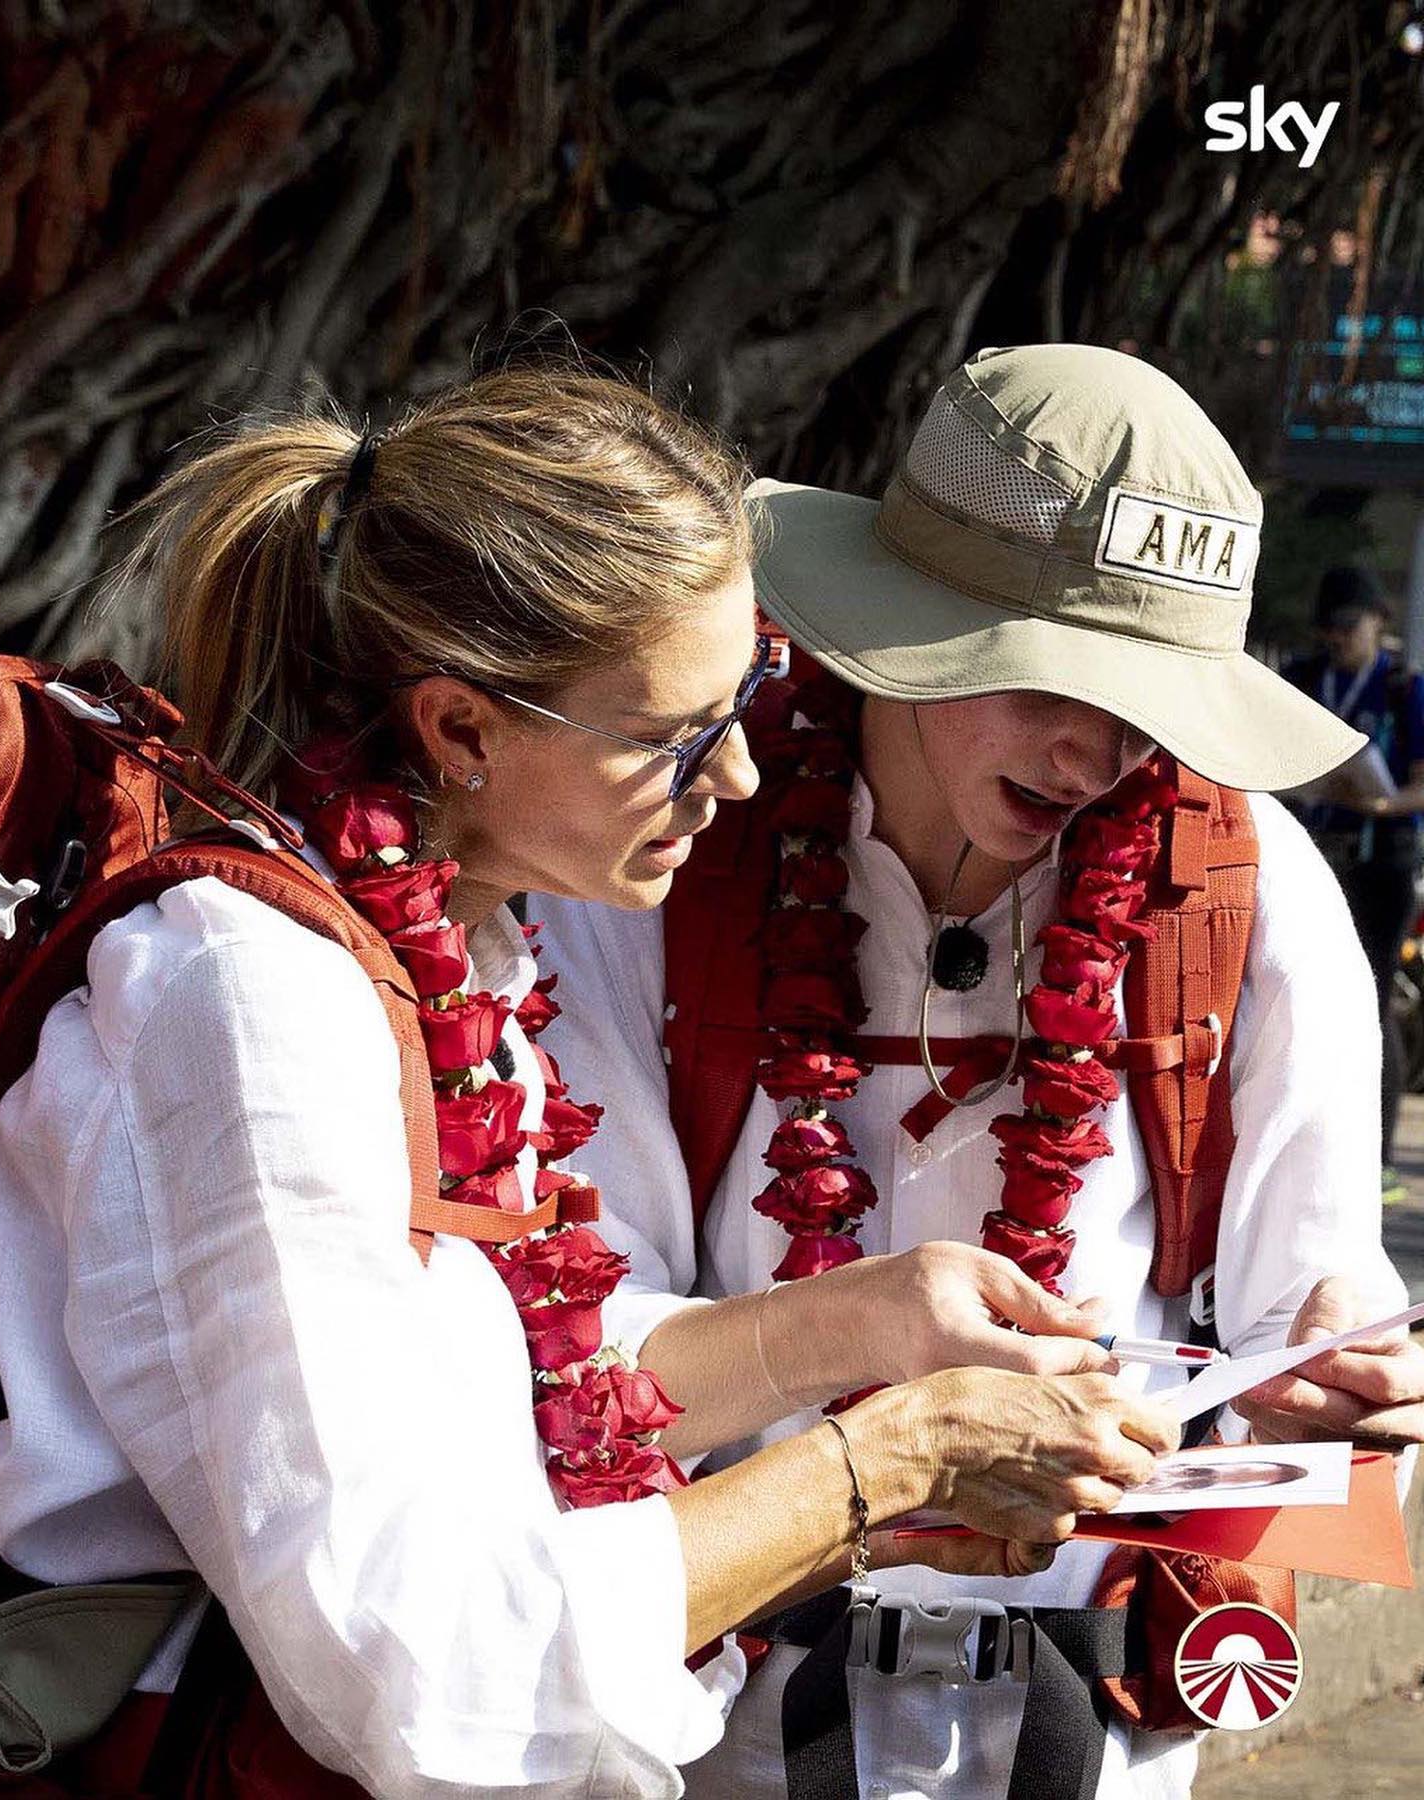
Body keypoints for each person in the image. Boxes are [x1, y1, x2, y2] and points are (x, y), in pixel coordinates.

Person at [0, 367, 1178, 1800]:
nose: (733, 775)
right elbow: (425, 1670)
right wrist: (885, 1465)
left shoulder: (436, 941)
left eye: (750, 702)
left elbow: (487, 1360)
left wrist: (859, 1321)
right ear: (463, 730)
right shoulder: (250, 1007)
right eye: (677, 735)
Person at [535, 345, 1424, 1799]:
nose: (1095, 751)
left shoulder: (1250, 888)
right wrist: (857, 1342)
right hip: (716, 1720)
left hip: (1099, 1723)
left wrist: (1340, 1367)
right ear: (909, 623)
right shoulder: (671, 855)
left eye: (1149, 703)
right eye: (1050, 676)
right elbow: (574, 1351)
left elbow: (1303, 1321)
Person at [1284, 565, 1424, 1197]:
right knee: (1294, 997)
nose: (1337, 637)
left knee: (1370, 998)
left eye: (1350, 625)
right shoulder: (1304, 680)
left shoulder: (1403, 689)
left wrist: (1382, 804)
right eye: (1328, 627)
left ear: (1379, 622)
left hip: (1380, 860)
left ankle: (1379, 1156)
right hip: (1313, 853)